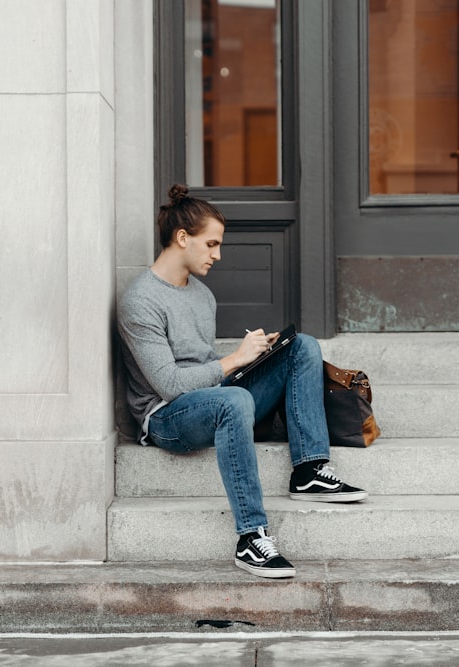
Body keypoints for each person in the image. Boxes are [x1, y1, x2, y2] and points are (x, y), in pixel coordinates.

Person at [117, 183, 368, 579]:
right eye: (211, 244)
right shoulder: (140, 301)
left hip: (213, 397)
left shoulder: (201, 295)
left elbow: (203, 367)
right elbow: (167, 384)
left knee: (300, 346)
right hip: (166, 418)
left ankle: (309, 470)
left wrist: (251, 358)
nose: (218, 255)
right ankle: (251, 537)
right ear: (183, 238)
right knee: (232, 400)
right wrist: (234, 360)